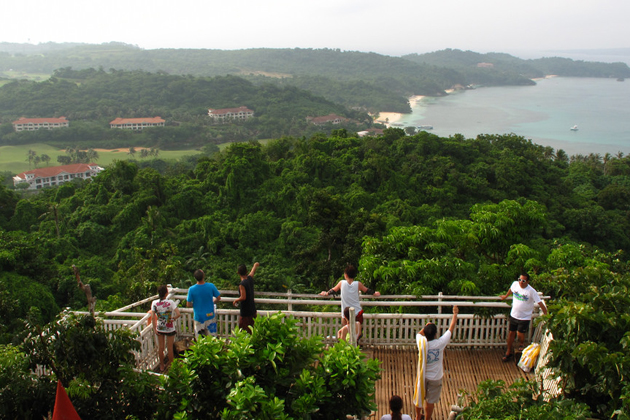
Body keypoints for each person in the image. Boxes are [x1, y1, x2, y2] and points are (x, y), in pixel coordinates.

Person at [413, 306, 458, 420]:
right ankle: (428, 418)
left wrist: (425, 328)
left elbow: (419, 334)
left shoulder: (421, 343)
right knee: (430, 401)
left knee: (419, 397)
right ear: (435, 334)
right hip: (435, 377)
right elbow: (451, 328)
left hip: (423, 376)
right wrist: (455, 314)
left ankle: (418, 416)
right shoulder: (440, 343)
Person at [320, 264, 380, 341]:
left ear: (345, 275)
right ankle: (356, 345)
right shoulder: (358, 284)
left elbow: (333, 291)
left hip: (346, 313)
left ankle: (347, 346)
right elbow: (367, 290)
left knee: (346, 331)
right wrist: (375, 293)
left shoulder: (341, 283)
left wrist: (325, 293)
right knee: (356, 331)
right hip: (357, 312)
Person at [500, 272, 548, 362]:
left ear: (527, 282)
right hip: (514, 314)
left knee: (520, 333)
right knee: (511, 333)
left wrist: (546, 314)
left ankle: (521, 343)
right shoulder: (515, 284)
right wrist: (506, 296)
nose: (521, 282)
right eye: (520, 280)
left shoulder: (531, 291)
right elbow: (511, 289)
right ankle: (508, 351)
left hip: (525, 316)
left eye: (523, 280)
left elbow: (540, 302)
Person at [151, 284, 181, 372]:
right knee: (170, 347)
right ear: (166, 293)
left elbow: (153, 317)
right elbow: (178, 314)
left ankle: (161, 365)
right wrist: (173, 318)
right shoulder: (170, 302)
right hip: (170, 327)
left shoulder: (154, 303)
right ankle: (171, 366)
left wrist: (154, 328)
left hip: (160, 327)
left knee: (161, 348)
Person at [187, 269, 221, 338]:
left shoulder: (191, 289)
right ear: (203, 276)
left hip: (199, 317)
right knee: (212, 339)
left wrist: (196, 304)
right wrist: (213, 302)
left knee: (200, 340)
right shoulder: (211, 286)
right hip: (210, 315)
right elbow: (218, 298)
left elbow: (188, 304)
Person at [233, 262, 259, 333]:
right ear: (246, 272)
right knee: (252, 330)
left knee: (244, 331)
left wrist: (236, 300)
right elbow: (252, 272)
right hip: (252, 310)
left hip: (245, 312)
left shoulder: (242, 284)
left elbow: (243, 297)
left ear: (238, 273)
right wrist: (255, 265)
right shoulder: (249, 279)